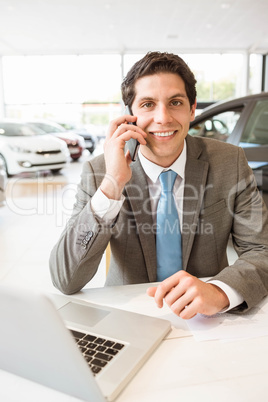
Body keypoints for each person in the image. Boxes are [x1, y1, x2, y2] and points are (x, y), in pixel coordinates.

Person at [49, 51, 268, 319]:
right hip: (129, 315)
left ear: (191, 109)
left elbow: (261, 250)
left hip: (206, 319)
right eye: (148, 104)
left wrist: (220, 292)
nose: (163, 118)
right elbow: (64, 278)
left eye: (175, 102)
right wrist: (112, 184)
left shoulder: (230, 161)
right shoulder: (99, 171)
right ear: (130, 114)